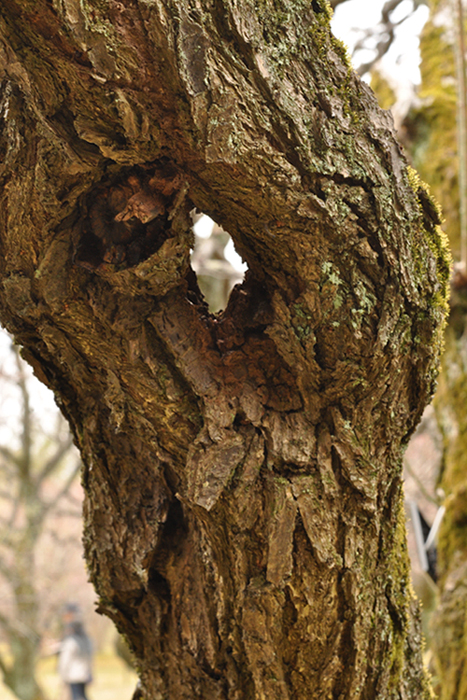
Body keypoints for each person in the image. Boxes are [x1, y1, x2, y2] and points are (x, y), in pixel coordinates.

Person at [58, 605, 93, 700]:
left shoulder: (71, 641)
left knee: (77, 697)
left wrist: (63, 675)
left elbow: (65, 660)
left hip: (73, 675)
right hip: (84, 674)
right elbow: (90, 657)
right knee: (82, 696)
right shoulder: (87, 640)